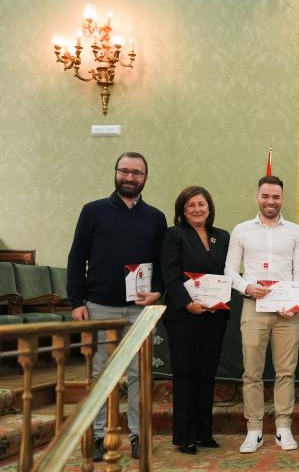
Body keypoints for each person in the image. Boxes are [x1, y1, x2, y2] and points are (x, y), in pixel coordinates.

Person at [67, 152, 167, 461]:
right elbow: (76, 257)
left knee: (140, 376)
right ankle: (99, 436)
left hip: (139, 309)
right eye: (125, 171)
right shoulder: (93, 211)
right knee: (101, 375)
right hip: (99, 307)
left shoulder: (155, 217)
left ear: (145, 178)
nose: (130, 177)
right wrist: (76, 302)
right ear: (116, 173)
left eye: (137, 173)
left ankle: (138, 436)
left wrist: (158, 291)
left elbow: (162, 263)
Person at [225, 175, 299, 454]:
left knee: (286, 372)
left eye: (276, 197)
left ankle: (284, 427)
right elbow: (229, 270)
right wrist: (246, 287)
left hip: (287, 312)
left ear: (282, 198)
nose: (270, 201)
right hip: (253, 308)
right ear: (257, 197)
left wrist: (294, 301)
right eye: (266, 196)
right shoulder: (241, 230)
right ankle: (255, 430)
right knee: (252, 372)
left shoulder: (296, 232)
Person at [160, 186, 230, 454]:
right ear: (182, 210)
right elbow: (170, 275)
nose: (198, 209)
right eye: (191, 205)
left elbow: (228, 272)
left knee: (207, 375)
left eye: (202, 204)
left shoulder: (221, 237)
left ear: (209, 208)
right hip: (183, 316)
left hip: (215, 316)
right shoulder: (174, 235)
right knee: (186, 374)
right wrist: (188, 304)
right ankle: (185, 436)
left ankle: (204, 433)